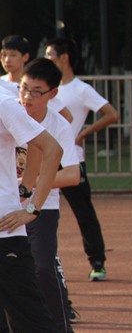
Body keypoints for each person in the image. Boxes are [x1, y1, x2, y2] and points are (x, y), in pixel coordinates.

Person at [4, 58, 81, 332]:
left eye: (36, 91)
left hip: (39, 210)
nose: (27, 96)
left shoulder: (57, 125)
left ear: (52, 94)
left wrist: (31, 193)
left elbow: (72, 174)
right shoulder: (11, 106)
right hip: (12, 207)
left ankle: (62, 322)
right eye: (23, 88)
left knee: (45, 268)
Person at [45, 37, 119, 281]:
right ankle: (38, 261)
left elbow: (111, 114)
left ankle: (97, 261)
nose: (47, 59)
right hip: (45, 158)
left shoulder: (80, 89)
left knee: (84, 212)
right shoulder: (43, 88)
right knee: (37, 209)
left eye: (50, 55)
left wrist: (85, 132)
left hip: (70, 160)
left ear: (63, 58)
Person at [1, 35, 73, 123]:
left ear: (26, 57)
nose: (7, 60)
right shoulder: (2, 84)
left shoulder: (39, 85)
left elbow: (67, 117)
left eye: (13, 55)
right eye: (4, 55)